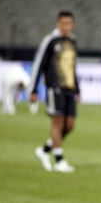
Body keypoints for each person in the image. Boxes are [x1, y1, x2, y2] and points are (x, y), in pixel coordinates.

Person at [29, 10, 80, 173]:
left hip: (70, 88)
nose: (66, 26)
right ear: (58, 23)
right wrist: (34, 89)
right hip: (54, 87)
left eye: (69, 23)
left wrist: (77, 88)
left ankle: (44, 150)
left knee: (70, 125)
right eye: (63, 23)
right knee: (57, 122)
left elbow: (72, 66)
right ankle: (59, 160)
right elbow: (39, 64)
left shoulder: (73, 41)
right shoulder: (50, 40)